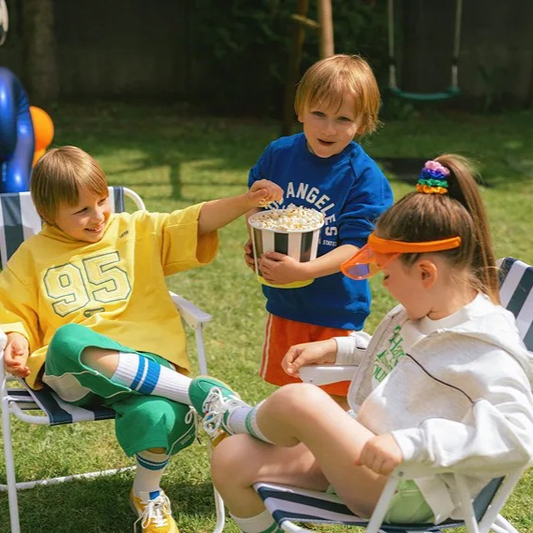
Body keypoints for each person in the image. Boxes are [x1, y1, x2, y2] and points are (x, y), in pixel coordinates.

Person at [189, 155, 533, 532]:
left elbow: (519, 436)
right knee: (232, 458)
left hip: (409, 489)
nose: (383, 285)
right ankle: (240, 431)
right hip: (363, 453)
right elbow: (406, 357)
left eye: (386, 275)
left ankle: (235, 417)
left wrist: (413, 445)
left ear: (425, 273)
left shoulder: (486, 349)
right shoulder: (427, 311)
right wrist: (341, 348)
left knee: (300, 400)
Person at [0, 146, 282, 533]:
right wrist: (15, 337)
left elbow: (194, 220)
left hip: (146, 367)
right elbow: (10, 309)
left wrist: (247, 201)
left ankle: (146, 493)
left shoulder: (136, 229)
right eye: (81, 210)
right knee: (67, 339)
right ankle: (200, 396)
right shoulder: (30, 256)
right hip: (77, 376)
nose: (98, 216)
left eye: (102, 201)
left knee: (156, 413)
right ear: (48, 213)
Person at [244, 54, 393, 403]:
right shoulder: (279, 155)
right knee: (289, 394)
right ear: (300, 110)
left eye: (343, 119)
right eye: (319, 114)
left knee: (334, 398)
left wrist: (304, 270)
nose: (328, 129)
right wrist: (255, 245)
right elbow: (257, 205)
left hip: (336, 309)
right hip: (285, 303)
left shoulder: (363, 177)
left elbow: (357, 248)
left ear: (364, 122)